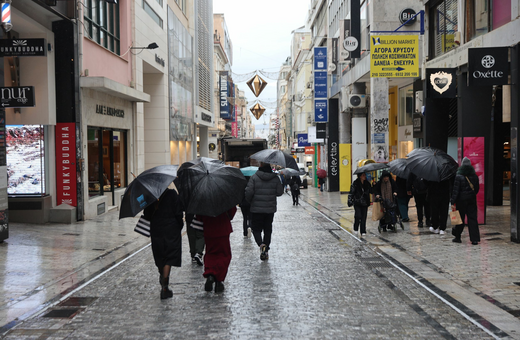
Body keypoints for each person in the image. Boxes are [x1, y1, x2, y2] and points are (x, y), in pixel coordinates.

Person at [143, 188, 184, 299]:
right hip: (171, 227)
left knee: (160, 253)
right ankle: (165, 286)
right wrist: (179, 225)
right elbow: (178, 212)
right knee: (169, 255)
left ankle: (163, 275)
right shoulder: (172, 193)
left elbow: (147, 215)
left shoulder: (150, 195)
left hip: (157, 228)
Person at [245, 162, 284, 260]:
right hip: (269, 209)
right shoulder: (275, 178)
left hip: (256, 209)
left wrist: (251, 202)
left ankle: (261, 245)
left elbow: (249, 192)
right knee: (268, 230)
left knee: (256, 229)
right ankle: (266, 250)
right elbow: (280, 192)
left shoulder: (254, 177)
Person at [198, 207, 237, 293]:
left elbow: (199, 213)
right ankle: (219, 281)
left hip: (209, 228)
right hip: (223, 227)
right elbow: (232, 209)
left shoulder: (204, 196)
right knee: (224, 254)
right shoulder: (225, 195)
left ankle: (210, 273)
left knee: (210, 252)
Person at [451, 157, 480, 245]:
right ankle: (474, 239)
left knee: (460, 219)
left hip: (461, 201)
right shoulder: (474, 176)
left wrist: (453, 201)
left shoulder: (458, 176)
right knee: (472, 219)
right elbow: (477, 189)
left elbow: (456, 190)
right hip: (471, 200)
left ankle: (458, 237)